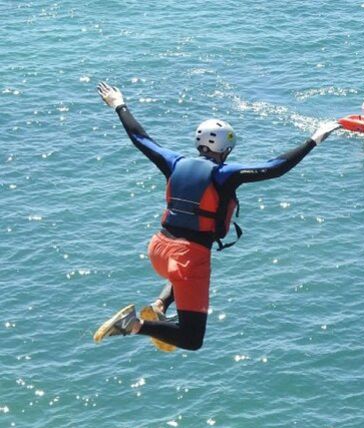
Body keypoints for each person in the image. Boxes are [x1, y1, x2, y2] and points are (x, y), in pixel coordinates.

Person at [93, 81, 339, 351]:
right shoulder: (224, 175)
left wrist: (119, 105)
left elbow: (141, 137)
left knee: (181, 279)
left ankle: (161, 304)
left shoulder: (174, 162)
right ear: (226, 149)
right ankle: (133, 324)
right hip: (188, 260)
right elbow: (275, 167)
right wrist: (315, 138)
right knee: (191, 338)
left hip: (159, 250)